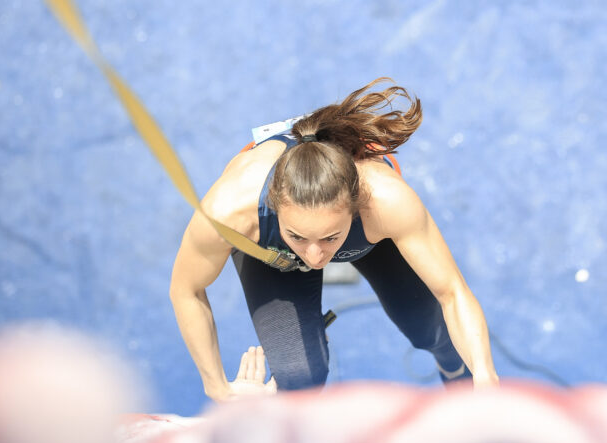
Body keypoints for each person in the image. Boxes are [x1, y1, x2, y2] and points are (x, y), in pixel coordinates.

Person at [169, 78, 499, 402]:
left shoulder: (385, 201)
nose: (315, 257)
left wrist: (485, 378)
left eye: (330, 237)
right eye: (298, 236)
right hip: (273, 251)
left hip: (366, 231)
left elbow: (453, 293)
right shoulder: (230, 211)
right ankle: (310, 342)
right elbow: (186, 290)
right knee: (300, 379)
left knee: (429, 329)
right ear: (273, 205)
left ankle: (454, 370)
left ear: (356, 206)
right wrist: (218, 388)